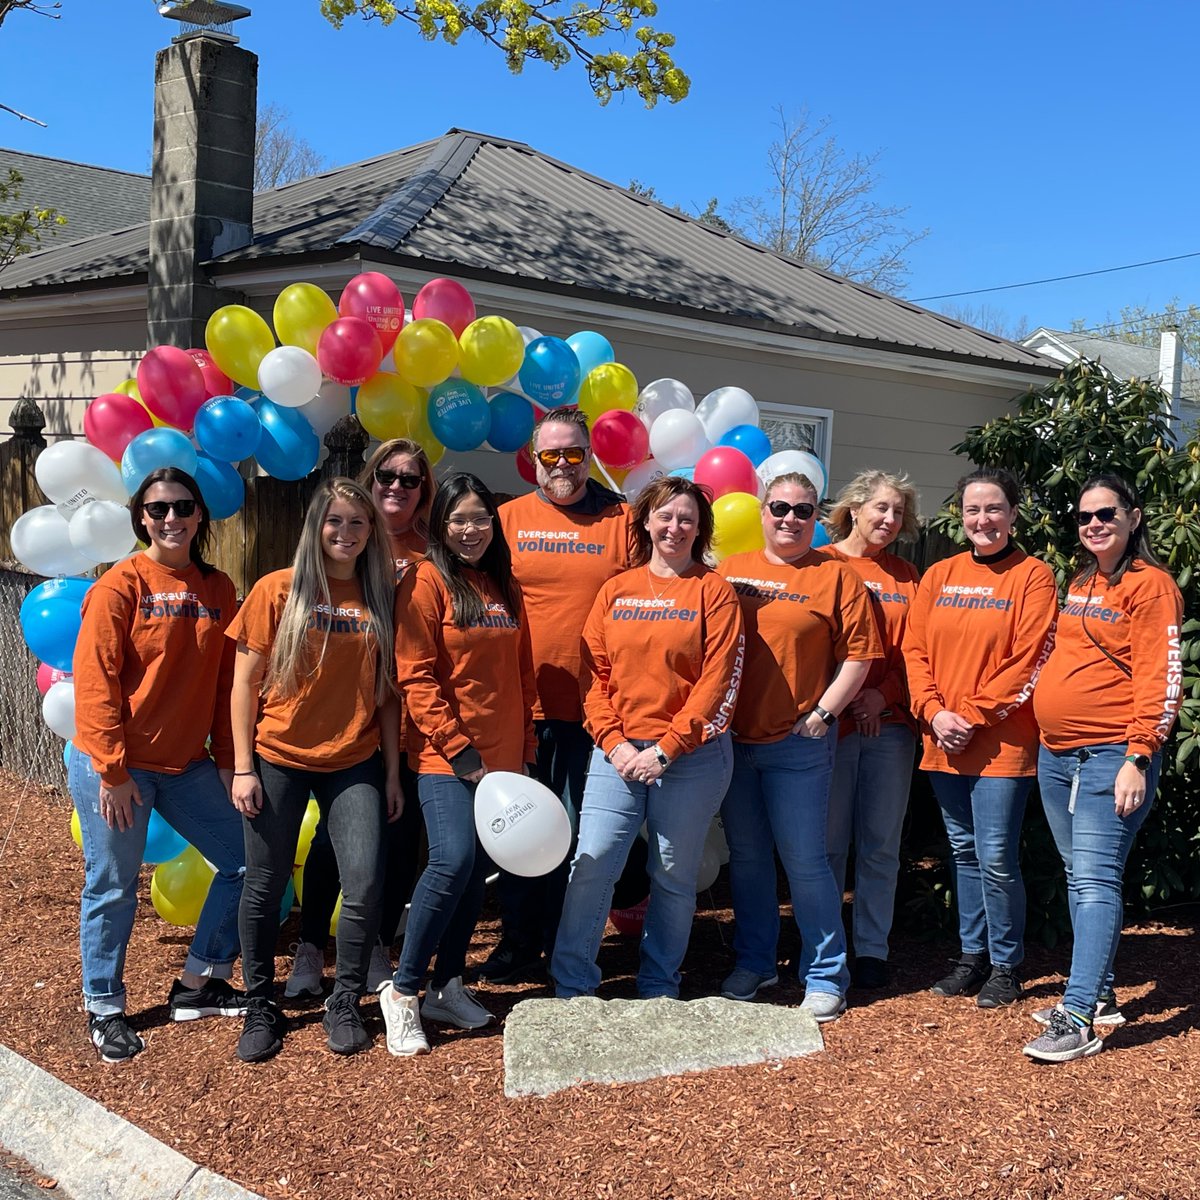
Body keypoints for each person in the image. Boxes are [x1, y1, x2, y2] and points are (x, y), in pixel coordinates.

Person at [69, 467, 247, 1063]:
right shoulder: (120, 586)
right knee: (113, 885)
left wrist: (228, 759)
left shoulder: (218, 589)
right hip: (116, 763)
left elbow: (227, 684)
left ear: (199, 516)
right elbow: (94, 685)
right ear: (141, 519)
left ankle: (197, 983)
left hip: (185, 764)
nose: (170, 518)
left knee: (245, 861)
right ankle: (104, 1007)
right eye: (157, 509)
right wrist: (113, 773)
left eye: (182, 507)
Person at [550, 476, 744, 1001]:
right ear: (647, 522)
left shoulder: (714, 591)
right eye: (665, 515)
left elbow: (717, 680)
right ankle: (573, 985)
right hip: (616, 752)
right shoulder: (617, 589)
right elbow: (595, 674)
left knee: (675, 875)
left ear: (700, 528)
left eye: (686, 518)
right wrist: (614, 743)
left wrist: (666, 749)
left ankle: (659, 984)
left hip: (691, 757)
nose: (674, 526)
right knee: (591, 863)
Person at [228, 478, 401, 1062]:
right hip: (277, 757)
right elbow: (245, 683)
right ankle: (259, 1004)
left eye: (357, 523)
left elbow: (386, 697)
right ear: (315, 527)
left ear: (370, 531)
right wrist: (242, 768)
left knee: (366, 880)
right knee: (264, 882)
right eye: (335, 522)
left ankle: (345, 999)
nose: (346, 533)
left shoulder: (380, 596)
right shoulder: (278, 590)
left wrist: (394, 775)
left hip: (354, 761)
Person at [1022, 475, 1182, 1062]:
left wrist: (1140, 755)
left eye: (1106, 514)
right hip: (1058, 757)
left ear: (1133, 518)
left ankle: (1079, 1017)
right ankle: (1104, 993)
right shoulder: (1083, 583)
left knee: (1094, 881)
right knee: (1080, 875)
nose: (1094, 524)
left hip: (1113, 756)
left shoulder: (1152, 586)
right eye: (1085, 516)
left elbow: (1161, 678)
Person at [377, 473, 537, 1058]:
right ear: (441, 524)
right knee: (453, 859)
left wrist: (523, 752)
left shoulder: (501, 583)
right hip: (448, 758)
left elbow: (522, 673)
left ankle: (448, 983)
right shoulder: (425, 582)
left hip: (502, 760)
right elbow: (414, 677)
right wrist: (460, 750)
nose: (470, 530)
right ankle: (404, 990)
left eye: (480, 519)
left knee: (476, 877)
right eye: (458, 519)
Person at [716, 472, 880, 1021]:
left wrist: (825, 712)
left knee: (807, 861)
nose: (790, 518)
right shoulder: (730, 571)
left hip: (799, 742)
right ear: (763, 511)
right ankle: (756, 961)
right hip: (734, 743)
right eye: (780, 507)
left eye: (803, 511)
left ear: (818, 518)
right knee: (749, 859)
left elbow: (859, 656)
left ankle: (826, 973)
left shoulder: (837, 577)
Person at [482, 408, 631, 983]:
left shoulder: (623, 520)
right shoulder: (507, 519)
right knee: (525, 832)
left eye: (573, 453)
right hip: (521, 707)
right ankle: (520, 941)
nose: (563, 465)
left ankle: (568, 948)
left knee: (581, 836)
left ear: (589, 455)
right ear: (534, 460)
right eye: (552, 455)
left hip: (600, 711)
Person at [903, 466, 1058, 1008]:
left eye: (994, 508)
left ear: (1013, 515)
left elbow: (1029, 658)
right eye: (973, 509)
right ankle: (971, 958)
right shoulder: (938, 574)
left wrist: (967, 715)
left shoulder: (1033, 576)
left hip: (1000, 743)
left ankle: (1006, 966)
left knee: (995, 855)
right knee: (963, 854)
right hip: (942, 739)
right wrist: (933, 712)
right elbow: (914, 651)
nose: (983, 519)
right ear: (960, 515)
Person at [287, 438, 436, 999]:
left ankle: (375, 943)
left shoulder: (435, 553)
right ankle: (309, 944)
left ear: (425, 492)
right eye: (387, 477)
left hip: (411, 720)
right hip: (348, 724)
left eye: (410, 479)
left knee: (395, 843)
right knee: (331, 839)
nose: (396, 487)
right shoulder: (344, 539)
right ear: (370, 482)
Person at [824, 470, 922, 990]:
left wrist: (882, 695)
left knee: (881, 845)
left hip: (889, 727)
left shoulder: (908, 576)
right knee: (829, 844)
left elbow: (922, 655)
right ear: (855, 508)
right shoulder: (821, 563)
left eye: (898, 512)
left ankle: (872, 950)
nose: (888, 519)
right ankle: (826, 945)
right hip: (832, 728)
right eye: (880, 508)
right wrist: (844, 700)